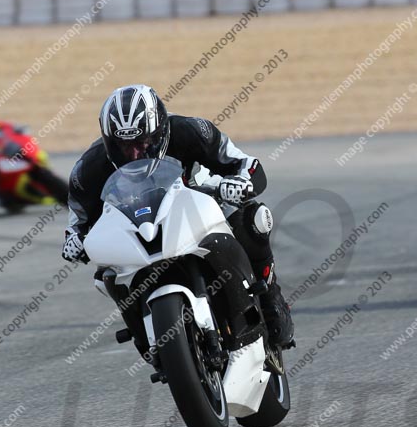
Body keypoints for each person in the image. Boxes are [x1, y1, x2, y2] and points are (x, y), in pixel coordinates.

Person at [62, 84, 294, 347]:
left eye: (141, 143)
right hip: (136, 226)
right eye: (123, 146)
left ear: (159, 132)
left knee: (253, 220)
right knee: (105, 273)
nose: (134, 153)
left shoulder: (192, 131)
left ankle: (270, 297)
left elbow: (245, 164)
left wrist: (240, 182)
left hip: (197, 202)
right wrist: (74, 239)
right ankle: (143, 334)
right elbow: (78, 220)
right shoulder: (88, 169)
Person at [0, 121, 68, 210]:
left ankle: (68, 197)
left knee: (37, 162)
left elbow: (9, 129)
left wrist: (14, 141)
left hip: (10, 157)